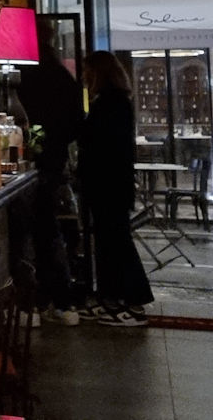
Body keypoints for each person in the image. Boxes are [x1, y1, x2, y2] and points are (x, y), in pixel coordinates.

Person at [77, 50, 153, 326]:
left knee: (116, 243)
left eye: (87, 71)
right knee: (110, 243)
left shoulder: (109, 104)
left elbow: (100, 144)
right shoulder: (117, 102)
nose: (84, 76)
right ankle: (112, 299)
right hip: (112, 185)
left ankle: (134, 302)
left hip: (107, 185)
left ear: (98, 73)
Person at [18, 40, 86, 325]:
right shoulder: (61, 76)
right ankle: (62, 303)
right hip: (54, 165)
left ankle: (28, 306)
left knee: (22, 235)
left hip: (26, 166)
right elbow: (77, 123)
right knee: (50, 233)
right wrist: (55, 145)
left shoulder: (20, 76)